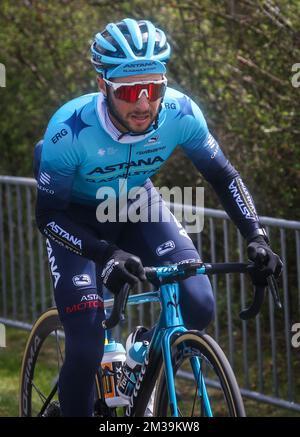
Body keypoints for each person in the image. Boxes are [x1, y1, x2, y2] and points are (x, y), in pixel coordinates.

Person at [34, 18, 282, 417]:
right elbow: (48, 217)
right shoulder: (69, 130)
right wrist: (104, 253)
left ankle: (140, 360)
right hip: (76, 219)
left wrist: (256, 235)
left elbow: (223, 175)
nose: (144, 103)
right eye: (130, 91)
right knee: (85, 344)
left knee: (198, 305)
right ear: (103, 85)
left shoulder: (180, 113)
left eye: (154, 89)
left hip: (136, 203)